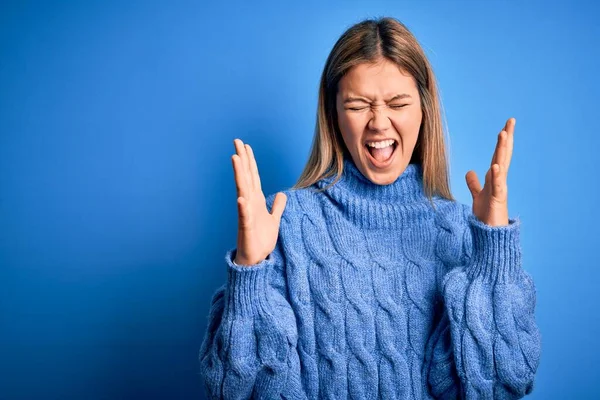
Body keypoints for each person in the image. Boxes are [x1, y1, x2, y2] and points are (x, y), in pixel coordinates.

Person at [199, 16, 541, 399]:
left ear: (423, 110)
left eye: (398, 103)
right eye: (359, 105)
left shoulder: (461, 231)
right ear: (334, 115)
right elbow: (232, 389)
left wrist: (491, 257)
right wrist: (250, 271)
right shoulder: (283, 225)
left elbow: (503, 384)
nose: (379, 123)